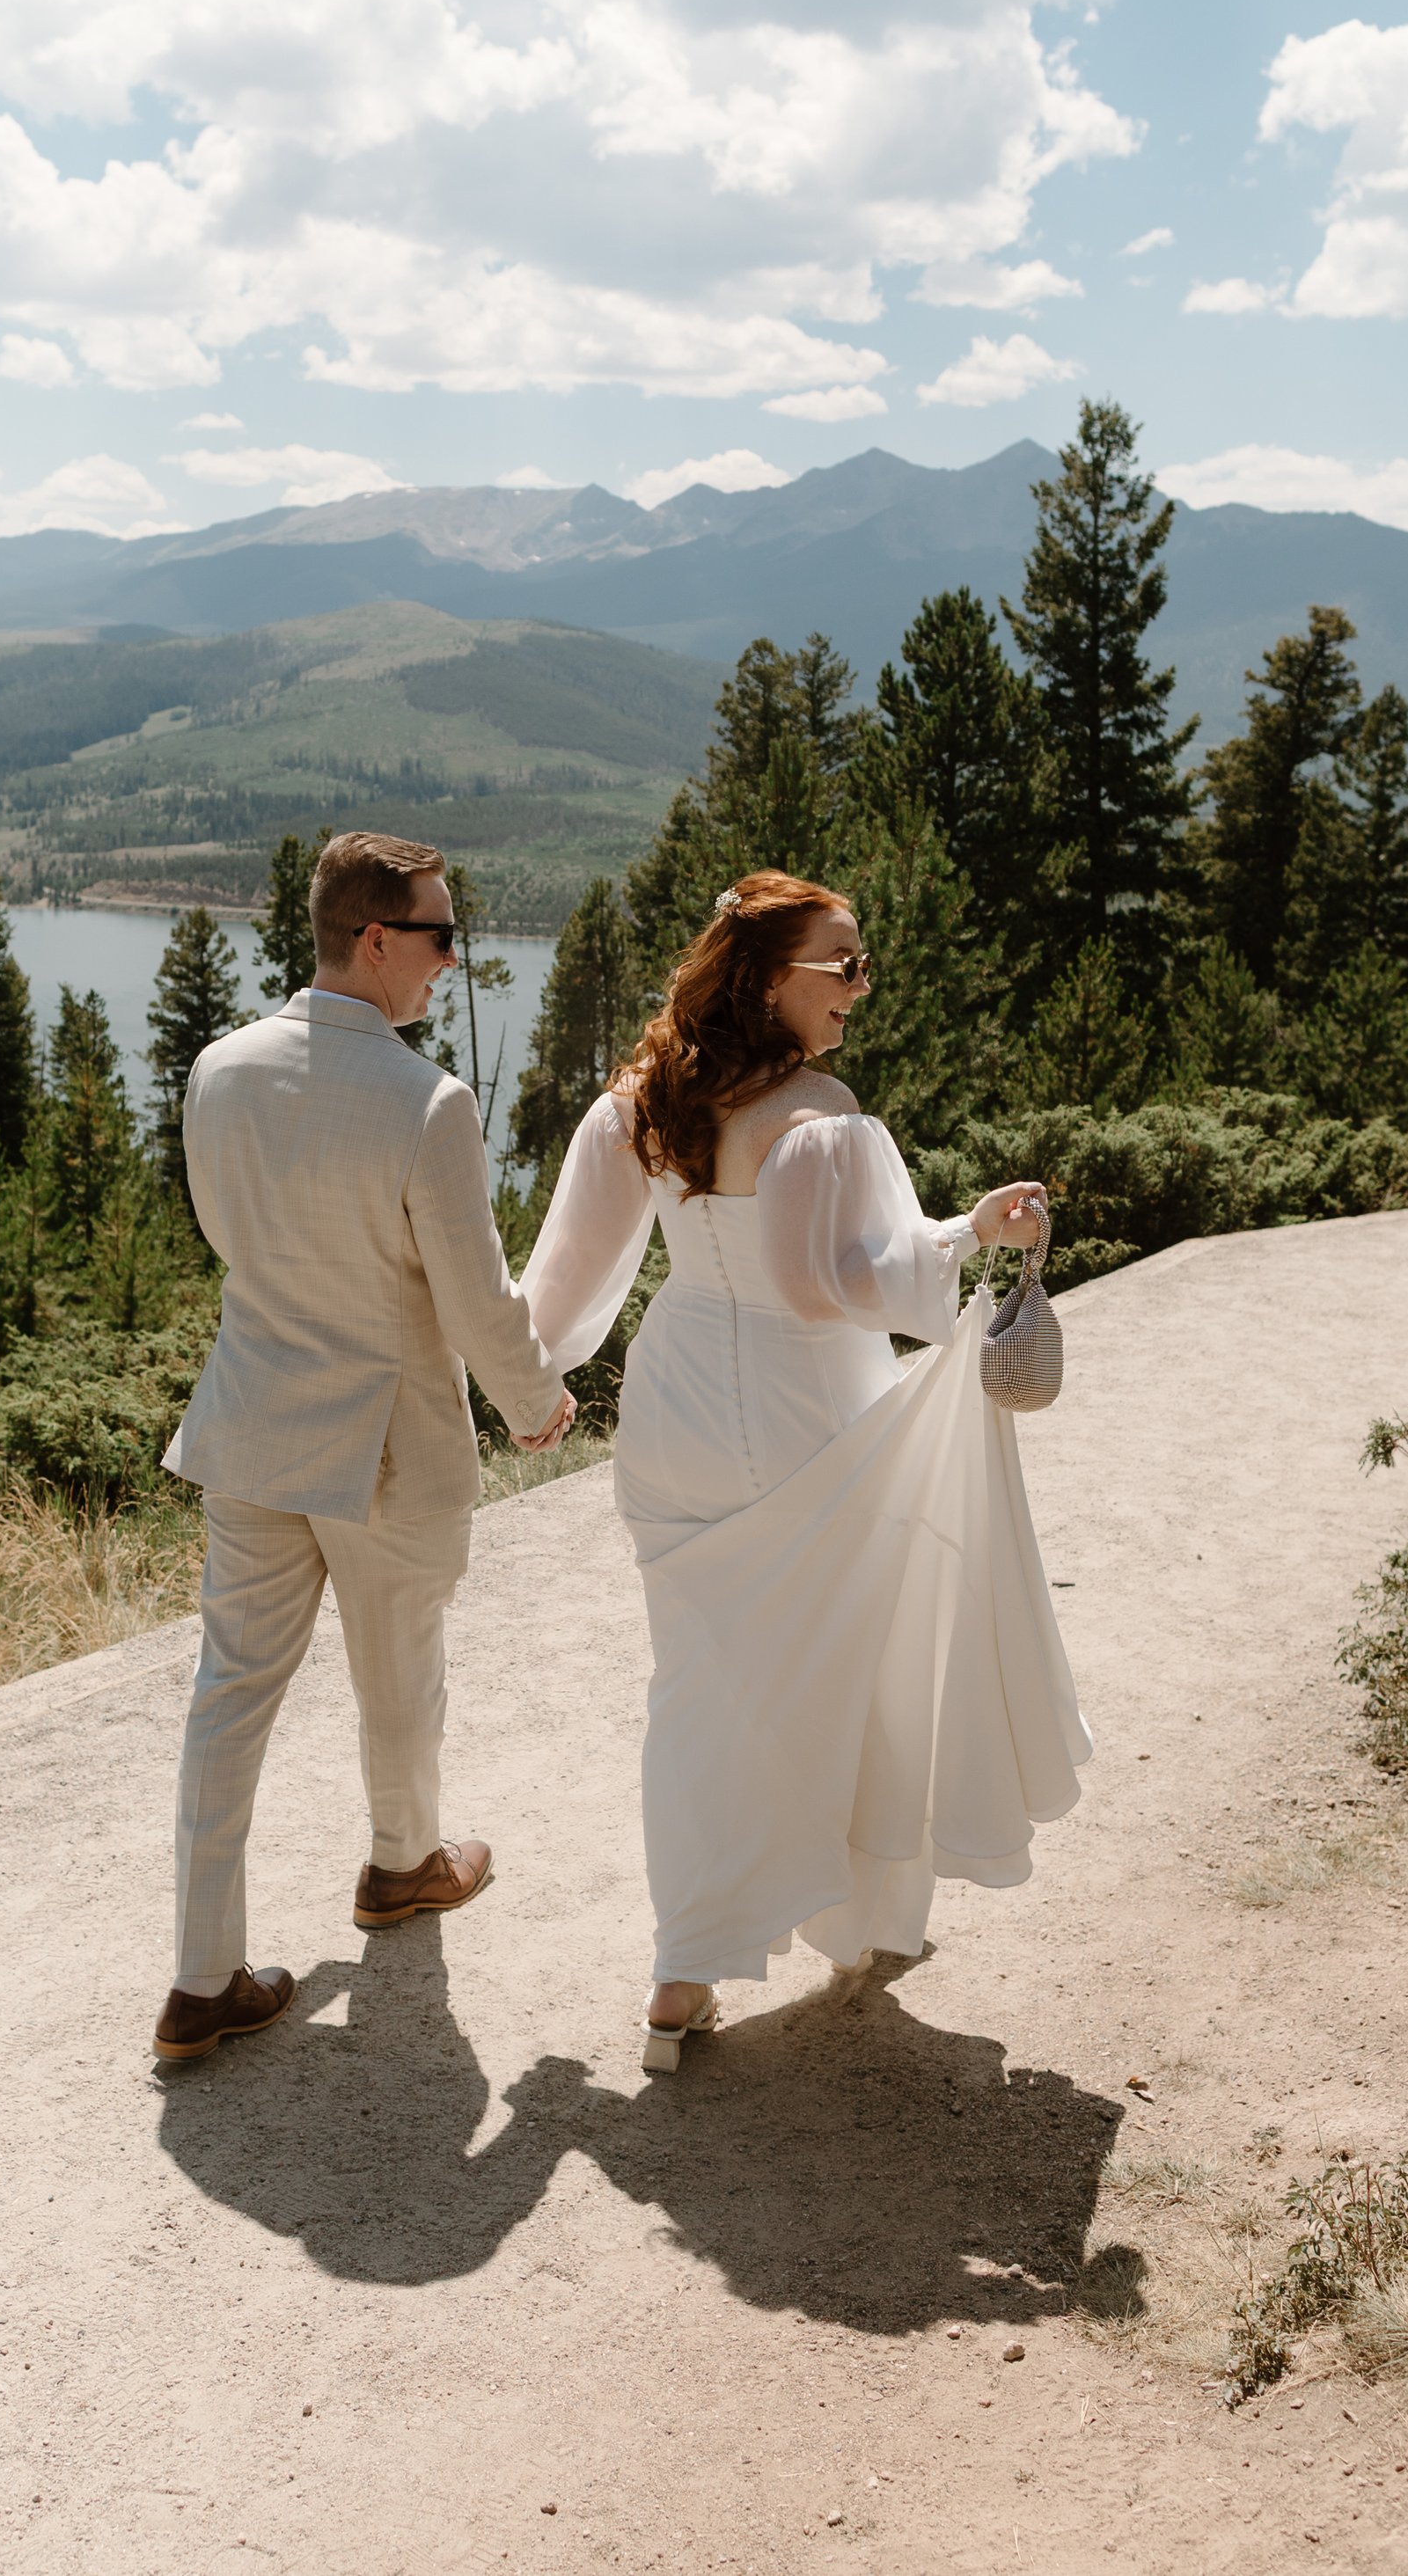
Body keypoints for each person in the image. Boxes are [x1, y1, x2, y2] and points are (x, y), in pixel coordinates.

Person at [520, 869, 1089, 2070]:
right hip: (806, 1408)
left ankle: (683, 1968)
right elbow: (843, 1287)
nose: (859, 989)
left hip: (673, 1404)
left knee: (698, 1683)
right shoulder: (820, 1111)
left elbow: (561, 1296)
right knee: (844, 1667)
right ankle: (852, 1913)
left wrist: (531, 1386)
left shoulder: (641, 1099)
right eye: (845, 966)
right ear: (773, 975)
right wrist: (971, 1233)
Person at [152, 831, 576, 2064]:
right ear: (378, 940)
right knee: (401, 1678)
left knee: (227, 1699)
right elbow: (474, 1295)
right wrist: (533, 1401)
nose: (453, 962)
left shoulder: (219, 1068)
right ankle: (400, 1868)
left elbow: (230, 1236)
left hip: (248, 1425)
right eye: (442, 937)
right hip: (382, 1445)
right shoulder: (425, 1103)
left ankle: (197, 1978)